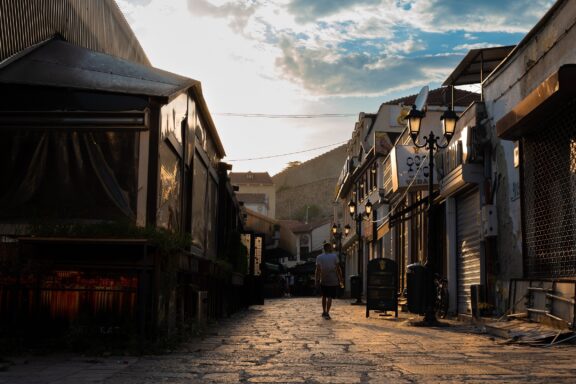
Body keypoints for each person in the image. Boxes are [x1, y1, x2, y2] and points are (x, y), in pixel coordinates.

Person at [315, 242, 344, 320]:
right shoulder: (334, 256)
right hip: (333, 279)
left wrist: (316, 280)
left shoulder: (319, 257)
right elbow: (338, 269)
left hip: (323, 279)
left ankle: (324, 311)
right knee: (330, 296)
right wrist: (341, 279)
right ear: (329, 248)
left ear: (324, 249)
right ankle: (327, 312)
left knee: (324, 296)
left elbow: (317, 270)